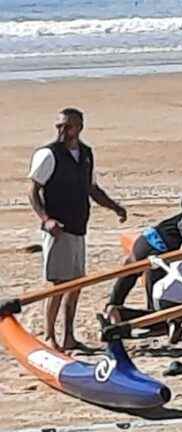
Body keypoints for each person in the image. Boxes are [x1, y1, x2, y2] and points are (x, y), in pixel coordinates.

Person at [28, 108, 127, 352]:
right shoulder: (48, 154)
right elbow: (33, 190)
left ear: (79, 127)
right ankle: (51, 336)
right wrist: (46, 219)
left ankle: (69, 336)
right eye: (59, 126)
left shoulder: (86, 154)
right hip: (57, 229)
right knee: (58, 285)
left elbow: (92, 188)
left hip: (79, 226)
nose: (62, 131)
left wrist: (115, 208)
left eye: (67, 126)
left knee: (75, 284)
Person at [108, 195, 182, 309]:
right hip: (165, 252)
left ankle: (113, 305)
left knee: (131, 267)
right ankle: (142, 315)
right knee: (155, 301)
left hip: (149, 238)